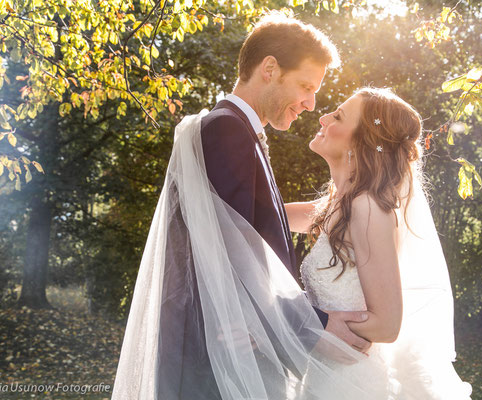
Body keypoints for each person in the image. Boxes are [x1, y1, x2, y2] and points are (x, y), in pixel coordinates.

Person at [112, 14, 386, 400]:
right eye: (306, 87)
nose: (310, 104)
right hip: (219, 357)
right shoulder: (228, 130)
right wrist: (315, 325)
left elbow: (249, 238)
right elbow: (237, 250)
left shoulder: (235, 128)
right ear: (270, 69)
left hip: (235, 343)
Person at [286, 86, 473, 399]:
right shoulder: (338, 204)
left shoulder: (367, 207)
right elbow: (268, 214)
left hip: (351, 385)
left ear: (361, 142)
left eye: (337, 116)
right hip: (325, 377)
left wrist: (308, 323)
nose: (322, 117)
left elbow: (387, 325)